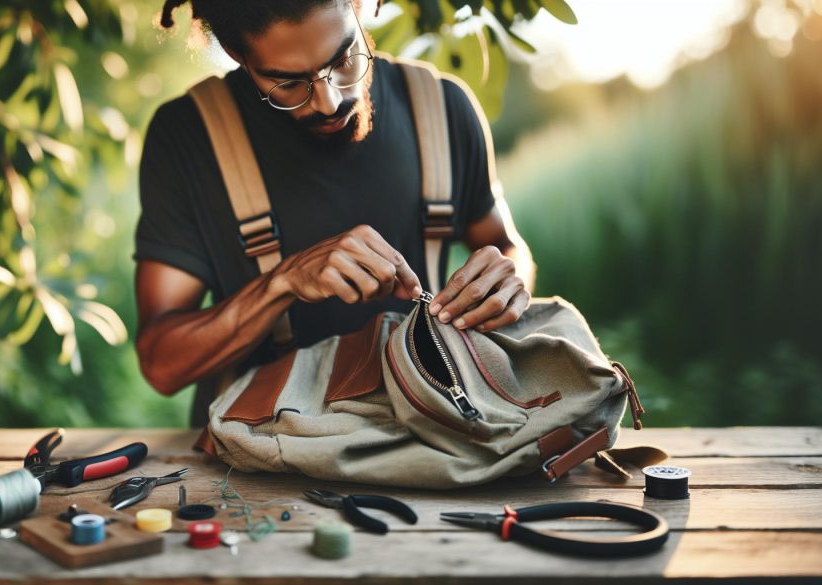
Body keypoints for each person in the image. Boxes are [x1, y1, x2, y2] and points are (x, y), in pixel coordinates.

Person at [134, 0, 536, 426]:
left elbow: (506, 245)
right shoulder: (187, 138)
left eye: (344, 59)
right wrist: (282, 284)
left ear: (359, 7)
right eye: (287, 82)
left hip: (438, 438)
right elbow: (163, 364)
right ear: (238, 55)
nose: (329, 101)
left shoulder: (443, 107)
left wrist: (505, 280)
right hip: (259, 465)